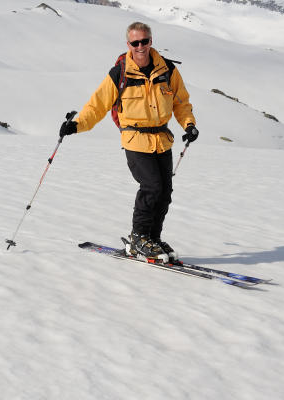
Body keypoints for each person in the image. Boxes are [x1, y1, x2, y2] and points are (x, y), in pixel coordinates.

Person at [59, 21, 199, 262]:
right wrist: (77, 125)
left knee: (164, 192)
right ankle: (138, 238)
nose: (140, 46)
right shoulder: (120, 73)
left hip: (162, 140)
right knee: (152, 187)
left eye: (144, 41)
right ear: (128, 44)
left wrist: (189, 125)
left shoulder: (167, 70)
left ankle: (152, 238)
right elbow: (97, 105)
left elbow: (181, 102)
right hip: (135, 140)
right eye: (135, 42)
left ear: (151, 41)